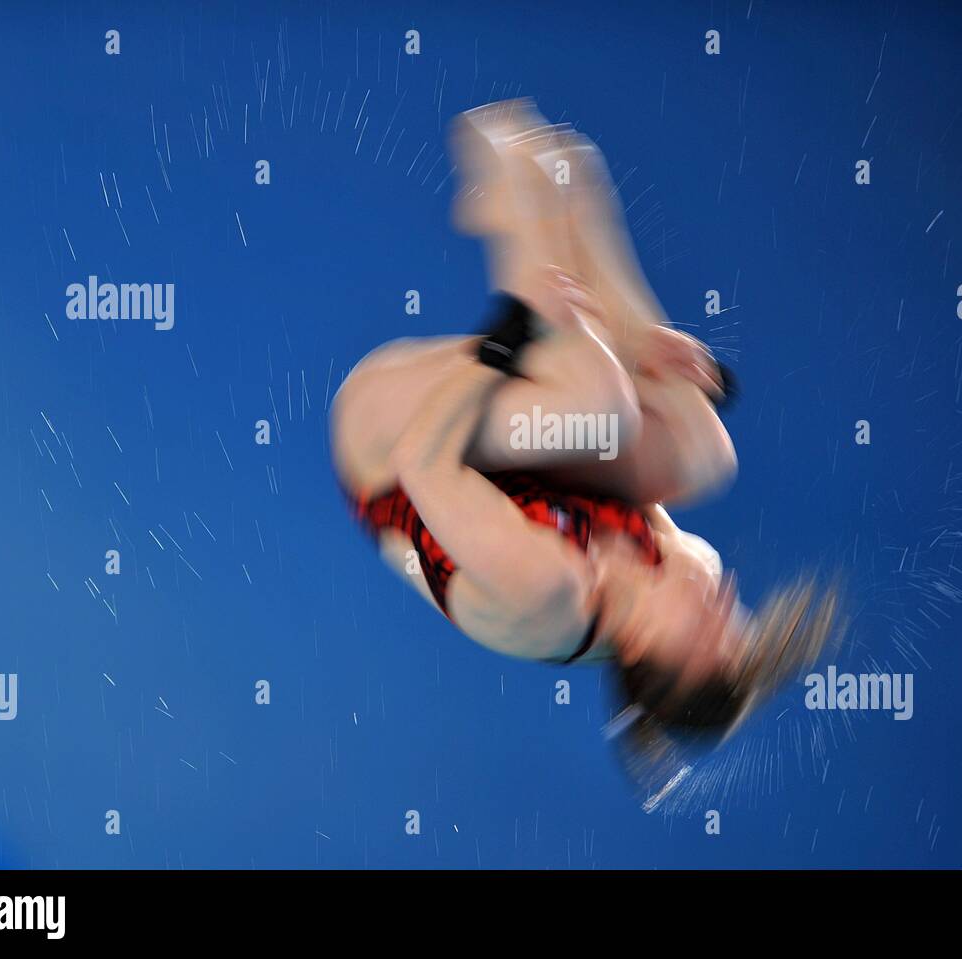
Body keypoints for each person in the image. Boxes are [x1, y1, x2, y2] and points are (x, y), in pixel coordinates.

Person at [330, 100, 840, 751]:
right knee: (701, 452)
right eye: (738, 619)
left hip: (385, 442)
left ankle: (518, 193)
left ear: (641, 645)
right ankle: (567, 194)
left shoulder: (545, 591)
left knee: (599, 405)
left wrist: (510, 333)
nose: (728, 599)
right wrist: (653, 366)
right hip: (494, 450)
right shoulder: (689, 566)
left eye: (710, 631)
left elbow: (422, 459)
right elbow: (636, 461)